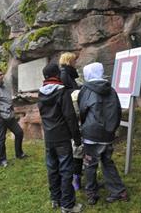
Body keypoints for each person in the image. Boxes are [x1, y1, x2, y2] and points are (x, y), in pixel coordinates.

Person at [78, 62, 129, 205]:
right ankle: (119, 191)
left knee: (90, 164)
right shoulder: (111, 89)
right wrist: (112, 129)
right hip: (108, 133)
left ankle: (91, 193)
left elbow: (82, 110)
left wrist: (84, 127)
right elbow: (118, 110)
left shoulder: (86, 89)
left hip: (91, 134)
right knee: (107, 162)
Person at [38, 63, 83, 213]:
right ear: (56, 75)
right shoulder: (62, 92)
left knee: (52, 169)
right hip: (62, 138)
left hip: (49, 138)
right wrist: (77, 138)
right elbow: (70, 117)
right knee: (65, 170)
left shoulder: (40, 93)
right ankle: (68, 205)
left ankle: (55, 199)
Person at [0, 68, 27, 167]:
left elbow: (6, 99)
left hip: (9, 116)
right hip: (0, 118)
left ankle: (19, 153)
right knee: (1, 138)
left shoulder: (3, 86)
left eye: (2, 74)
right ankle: (2, 161)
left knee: (19, 132)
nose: (2, 76)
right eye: (0, 75)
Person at [59, 52, 83, 191]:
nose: (76, 63)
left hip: (74, 111)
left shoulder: (68, 74)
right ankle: (75, 176)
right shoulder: (64, 75)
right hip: (72, 113)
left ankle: (76, 173)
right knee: (76, 145)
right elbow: (67, 94)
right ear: (69, 61)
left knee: (76, 146)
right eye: (74, 60)